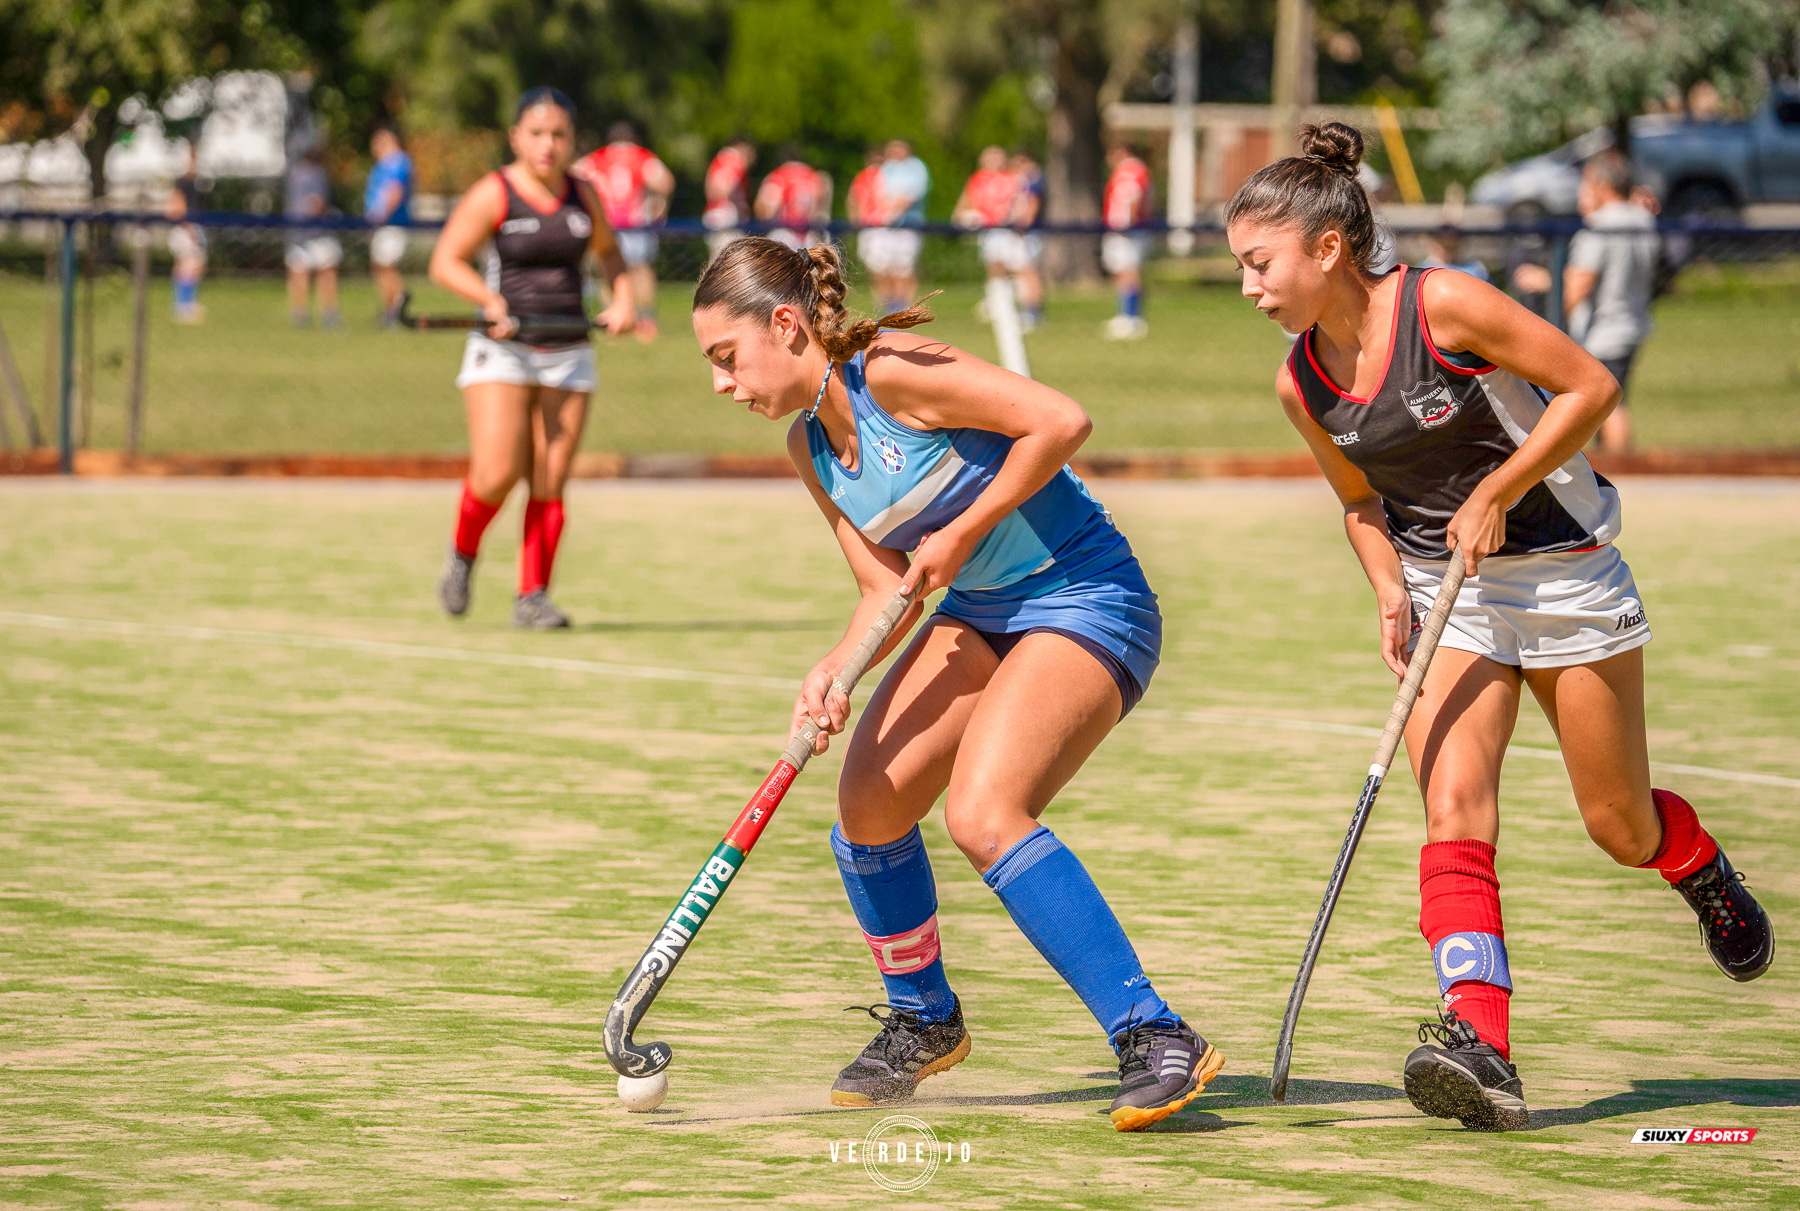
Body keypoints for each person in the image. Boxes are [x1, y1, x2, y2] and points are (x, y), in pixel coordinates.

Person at [1225, 123, 1773, 1133]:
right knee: (1455, 808)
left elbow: (1591, 388)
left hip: (1566, 575)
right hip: (1450, 593)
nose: (1250, 287)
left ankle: (1693, 859)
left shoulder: (1446, 305)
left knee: (1620, 826)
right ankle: (1482, 1043)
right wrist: (1391, 585)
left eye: (1260, 264)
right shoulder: (1300, 380)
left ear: (1326, 248)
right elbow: (1358, 500)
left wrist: (1500, 489)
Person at [689, 237, 1222, 1133]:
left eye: (725, 357)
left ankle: (1154, 1033)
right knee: (867, 806)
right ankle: (924, 1018)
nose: (721, 383)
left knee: (983, 811)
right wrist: (833, 668)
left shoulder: (890, 372)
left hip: (1087, 595)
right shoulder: (808, 445)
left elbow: (1060, 420)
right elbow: (881, 589)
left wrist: (967, 528)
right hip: (979, 611)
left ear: (785, 325)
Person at [428, 87, 636, 629]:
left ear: (571, 141)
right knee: (496, 472)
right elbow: (446, 261)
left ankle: (532, 597)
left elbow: (610, 253)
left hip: (569, 352)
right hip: (504, 351)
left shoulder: (581, 194)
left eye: (559, 134)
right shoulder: (494, 193)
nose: (548, 144)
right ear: (516, 137)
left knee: (549, 477)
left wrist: (624, 299)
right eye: (537, 133)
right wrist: (487, 299)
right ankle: (462, 554)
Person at [1565, 149, 1659, 454]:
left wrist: (1557, 314)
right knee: (1613, 399)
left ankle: (1622, 468)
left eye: (1588, 183)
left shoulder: (1600, 227)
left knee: (1611, 405)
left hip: (1603, 331)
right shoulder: (1644, 219)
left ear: (1603, 185)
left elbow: (1579, 285)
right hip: (1633, 322)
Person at [574, 122, 673, 342]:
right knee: (640, 269)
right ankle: (646, 320)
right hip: (635, 222)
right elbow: (665, 181)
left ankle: (612, 315)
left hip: (606, 222)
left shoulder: (598, 157)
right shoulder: (640, 156)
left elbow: (572, 176)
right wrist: (660, 203)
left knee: (607, 268)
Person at [954, 145, 1035, 328]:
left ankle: (1029, 311)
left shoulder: (1012, 178)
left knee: (1021, 268)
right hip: (990, 231)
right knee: (995, 268)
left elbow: (1022, 202)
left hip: (1009, 231)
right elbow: (965, 205)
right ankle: (998, 304)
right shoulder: (977, 180)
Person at [862, 139, 928, 314]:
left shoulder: (916, 168)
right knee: (885, 266)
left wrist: (891, 211)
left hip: (907, 224)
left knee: (903, 266)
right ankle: (889, 305)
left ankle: (904, 306)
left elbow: (910, 195)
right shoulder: (886, 169)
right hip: (886, 225)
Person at [285, 140, 343, 329]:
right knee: (326, 273)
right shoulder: (317, 174)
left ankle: (300, 314)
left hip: (296, 232)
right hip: (316, 233)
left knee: (299, 274)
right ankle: (329, 314)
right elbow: (316, 204)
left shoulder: (294, 173)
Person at [1101, 145, 1153, 340]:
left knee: (1129, 271)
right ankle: (1125, 313)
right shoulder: (1131, 171)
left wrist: (1128, 224)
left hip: (1127, 231)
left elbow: (1133, 197)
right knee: (1122, 271)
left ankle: (1131, 317)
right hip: (1121, 230)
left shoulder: (1130, 171)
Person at [365, 125, 414, 327]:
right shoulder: (385, 163)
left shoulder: (397, 162)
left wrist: (380, 216)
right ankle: (390, 311)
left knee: (388, 268)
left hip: (391, 225)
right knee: (382, 268)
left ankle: (395, 312)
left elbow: (395, 191)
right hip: (384, 226)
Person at [164, 143, 208, 324]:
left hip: (195, 226)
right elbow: (176, 205)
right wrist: (187, 226)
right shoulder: (182, 182)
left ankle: (188, 303)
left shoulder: (198, 182)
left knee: (195, 265)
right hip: (186, 228)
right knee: (187, 265)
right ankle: (182, 305)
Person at [755, 147, 832, 250]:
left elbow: (769, 210)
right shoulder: (812, 175)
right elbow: (821, 203)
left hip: (785, 232)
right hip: (808, 233)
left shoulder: (780, 175)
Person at [1008, 151, 1047, 329]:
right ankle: (1025, 309)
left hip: (1030, 232)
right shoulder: (1025, 179)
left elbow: (1033, 203)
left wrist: (1024, 222)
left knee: (1029, 271)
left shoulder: (1034, 178)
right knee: (1021, 271)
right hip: (1021, 231)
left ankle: (1033, 311)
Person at [703, 138, 756, 260]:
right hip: (726, 214)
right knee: (728, 261)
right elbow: (721, 188)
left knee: (718, 260)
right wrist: (740, 206)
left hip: (716, 212)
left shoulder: (721, 159)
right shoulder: (734, 160)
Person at [1419, 224, 1488, 282]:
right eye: (1445, 246)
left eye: (1452, 246)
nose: (1448, 251)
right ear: (1436, 244)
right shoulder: (1423, 271)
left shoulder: (1475, 269)